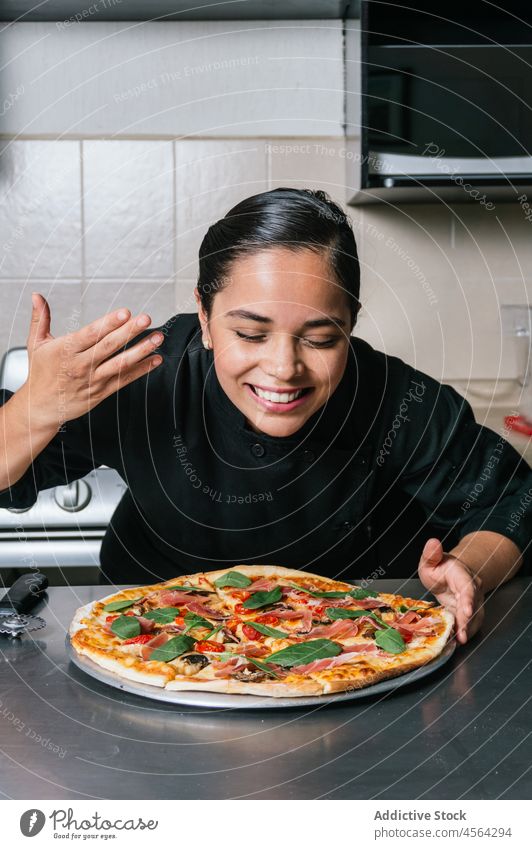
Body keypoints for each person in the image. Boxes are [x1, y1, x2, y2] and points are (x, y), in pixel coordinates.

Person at [0, 188, 530, 646]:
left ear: (351, 323)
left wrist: (471, 570)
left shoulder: (394, 399)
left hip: (346, 646)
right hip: (144, 636)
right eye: (250, 334)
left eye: (322, 338)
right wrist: (32, 408)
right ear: (204, 318)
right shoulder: (144, 377)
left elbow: (512, 497)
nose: (283, 369)